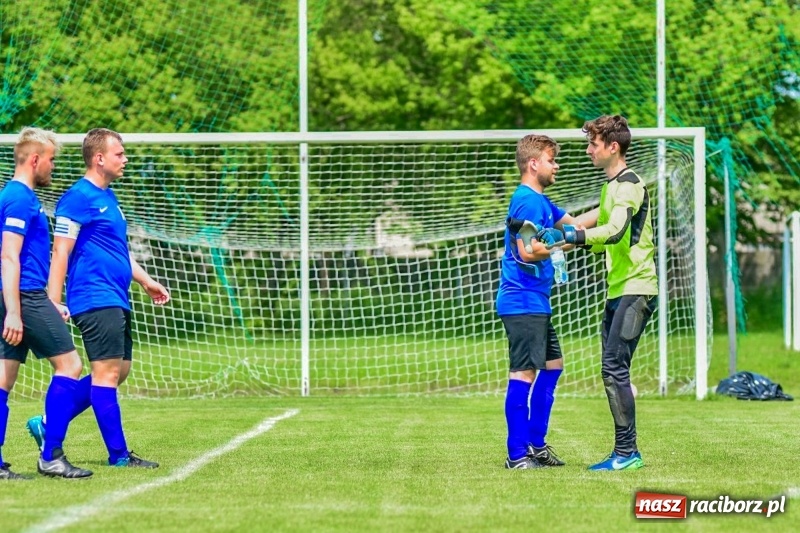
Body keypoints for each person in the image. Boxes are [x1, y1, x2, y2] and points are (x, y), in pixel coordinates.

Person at [27, 128, 170, 469]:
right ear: (99, 158)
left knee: (118, 371)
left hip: (117, 296)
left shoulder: (109, 198)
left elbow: (118, 252)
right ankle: (119, 455)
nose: (125, 159)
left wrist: (147, 281)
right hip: (94, 297)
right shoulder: (77, 198)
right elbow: (60, 252)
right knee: (105, 375)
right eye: (119, 154)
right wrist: (54, 299)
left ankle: (48, 424)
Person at [558, 115, 658, 471]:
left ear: (612, 147)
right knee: (613, 369)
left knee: (614, 368)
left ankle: (627, 453)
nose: (588, 150)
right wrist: (551, 228)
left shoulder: (630, 184)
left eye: (593, 144)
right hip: (618, 289)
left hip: (637, 288)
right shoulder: (610, 186)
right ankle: (625, 451)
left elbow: (613, 231)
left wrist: (571, 237)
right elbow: (590, 221)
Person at [0, 127, 92, 479]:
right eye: (51, 160)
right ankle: (51, 454)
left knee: (3, 380)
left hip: (21, 294)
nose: (53, 167)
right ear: (35, 160)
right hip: (22, 295)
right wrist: (15, 309)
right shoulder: (20, 198)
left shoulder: (16, 196)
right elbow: (9, 256)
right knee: (70, 365)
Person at [497, 134, 592, 469]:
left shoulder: (543, 203)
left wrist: (614, 204)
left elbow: (577, 227)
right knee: (523, 375)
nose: (557, 166)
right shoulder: (526, 201)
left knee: (553, 367)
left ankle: (535, 445)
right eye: (552, 160)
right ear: (534, 163)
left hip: (536, 302)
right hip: (521, 301)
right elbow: (527, 250)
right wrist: (561, 241)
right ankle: (517, 454)